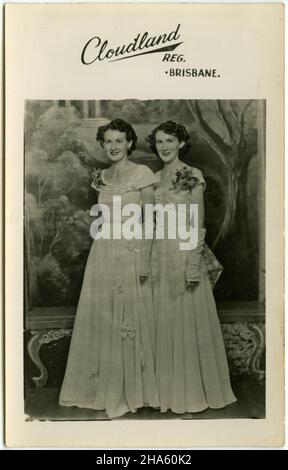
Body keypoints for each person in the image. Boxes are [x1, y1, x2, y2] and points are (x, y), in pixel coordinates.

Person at [59, 119, 159, 418]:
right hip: (103, 252)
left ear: (130, 143)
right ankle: (103, 388)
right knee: (102, 317)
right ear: (103, 145)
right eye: (109, 142)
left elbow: (150, 221)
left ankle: (132, 392)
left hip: (132, 251)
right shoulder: (100, 177)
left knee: (128, 318)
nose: (114, 147)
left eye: (119, 141)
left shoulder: (143, 174)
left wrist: (143, 258)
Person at [147, 121, 237, 414]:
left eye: (170, 141)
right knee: (162, 320)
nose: (164, 147)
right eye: (159, 141)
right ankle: (164, 392)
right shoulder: (155, 177)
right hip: (159, 253)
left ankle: (190, 392)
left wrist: (193, 263)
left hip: (185, 251)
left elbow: (198, 224)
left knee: (186, 319)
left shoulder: (192, 175)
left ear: (181, 143)